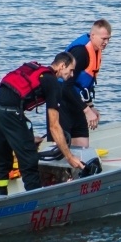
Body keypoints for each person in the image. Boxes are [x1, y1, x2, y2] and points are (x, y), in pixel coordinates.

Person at [0, 52, 83, 194]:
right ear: (62, 66)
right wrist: (69, 157)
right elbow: (54, 126)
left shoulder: (38, 72)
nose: (71, 75)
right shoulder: (53, 83)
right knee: (29, 162)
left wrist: (27, 138)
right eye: (71, 70)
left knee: (2, 162)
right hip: (10, 112)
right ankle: (37, 202)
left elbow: (14, 100)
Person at [47, 19, 112, 147]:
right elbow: (66, 87)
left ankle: (80, 166)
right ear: (93, 35)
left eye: (108, 39)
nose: (106, 43)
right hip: (62, 101)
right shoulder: (81, 53)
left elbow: (85, 84)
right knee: (62, 147)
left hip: (76, 101)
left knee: (83, 146)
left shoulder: (96, 50)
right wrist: (87, 111)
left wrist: (90, 105)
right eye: (103, 39)